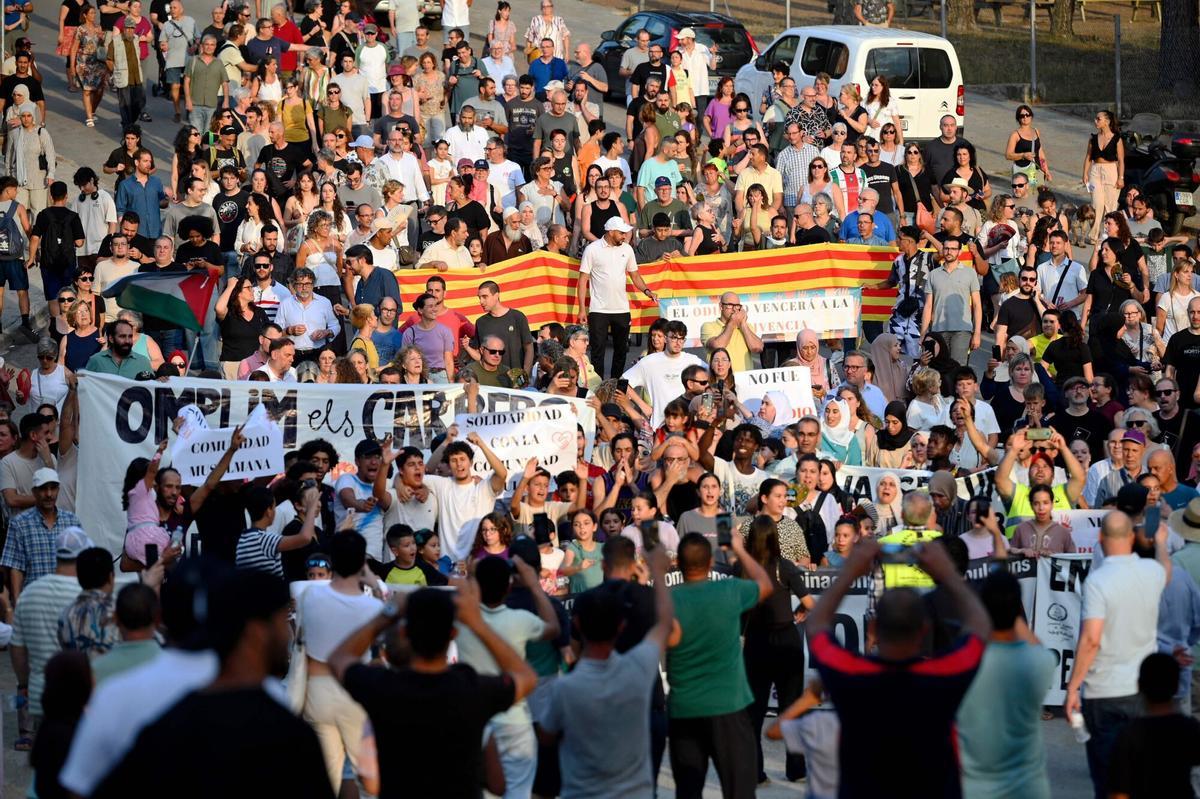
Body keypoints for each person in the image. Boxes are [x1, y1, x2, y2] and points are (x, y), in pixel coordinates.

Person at [92, 570, 335, 798]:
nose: (287, 636)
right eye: (282, 622)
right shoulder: (290, 735)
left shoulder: (161, 728)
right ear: (256, 633)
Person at [807, 534, 990, 797]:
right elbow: (980, 627)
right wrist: (949, 574)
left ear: (876, 628)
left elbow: (816, 626)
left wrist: (850, 570)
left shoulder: (852, 674)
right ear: (924, 628)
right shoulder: (942, 675)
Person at [538, 542, 673, 797]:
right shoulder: (638, 667)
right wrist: (657, 575)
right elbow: (666, 625)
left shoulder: (565, 689)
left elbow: (547, 736)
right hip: (646, 702)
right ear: (620, 627)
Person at [1064, 510, 1171, 799]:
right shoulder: (1152, 572)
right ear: (1133, 537)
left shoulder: (1098, 581)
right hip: (1142, 691)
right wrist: (1160, 542)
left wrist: (1073, 686)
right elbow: (1165, 569)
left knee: (1108, 777)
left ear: (1100, 538)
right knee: (1139, 777)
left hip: (1103, 692)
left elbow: (1091, 639)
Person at [666, 530, 773, 798]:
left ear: (678, 564)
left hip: (684, 710)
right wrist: (740, 551)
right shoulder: (729, 589)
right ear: (711, 564)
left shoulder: (667, 600)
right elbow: (766, 584)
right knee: (739, 791)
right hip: (729, 707)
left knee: (688, 791)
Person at [955, 569, 1056, 799]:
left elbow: (966, 635)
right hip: (1029, 789)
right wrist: (1013, 612)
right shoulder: (1039, 662)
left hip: (976, 790)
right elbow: (1036, 644)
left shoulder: (964, 664)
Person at [9, 528, 92, 751]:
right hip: (78, 700)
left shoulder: (29, 593)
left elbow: (17, 649)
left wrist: (25, 684)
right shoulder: (88, 596)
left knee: (46, 761)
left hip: (39, 694)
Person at [1106, 652, 1200, 797]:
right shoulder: (1189, 728)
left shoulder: (1130, 733)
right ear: (1176, 686)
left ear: (1139, 685)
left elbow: (1119, 791)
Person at [578, 216, 657, 379]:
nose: (624, 236)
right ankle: (598, 386)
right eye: (621, 233)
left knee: (621, 351)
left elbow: (635, 276)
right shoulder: (592, 249)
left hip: (621, 309)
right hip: (598, 309)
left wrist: (648, 291)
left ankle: (614, 384)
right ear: (611, 231)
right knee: (598, 352)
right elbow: (583, 280)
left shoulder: (627, 249)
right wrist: (581, 310)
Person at [920, 238, 982, 365]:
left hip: (962, 330)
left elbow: (977, 305)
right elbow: (928, 306)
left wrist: (977, 333)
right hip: (938, 330)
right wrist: (923, 333)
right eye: (946, 248)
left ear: (959, 252)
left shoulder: (970, 273)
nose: (949, 251)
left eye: (953, 249)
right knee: (938, 369)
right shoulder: (933, 274)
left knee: (958, 369)